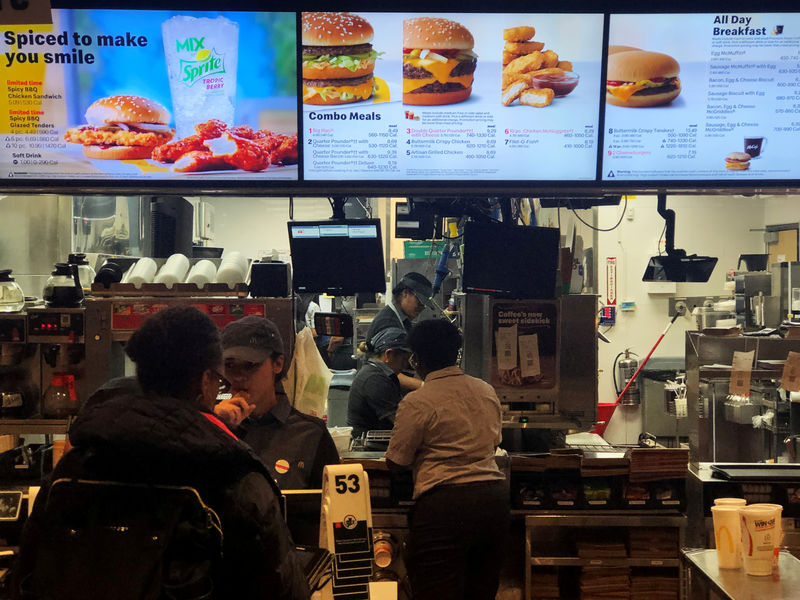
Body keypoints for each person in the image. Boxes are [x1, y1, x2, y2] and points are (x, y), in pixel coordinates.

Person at [17, 306, 309, 600]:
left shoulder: (75, 466)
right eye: (220, 378)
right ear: (205, 380)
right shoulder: (233, 478)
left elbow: (24, 576)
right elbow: (285, 589)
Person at [385, 319, 510, 600]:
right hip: (493, 503)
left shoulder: (418, 402)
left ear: (416, 360)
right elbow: (493, 442)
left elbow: (397, 461)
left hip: (443, 508)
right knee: (481, 592)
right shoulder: (485, 391)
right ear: (456, 353)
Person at [215, 315, 340, 490]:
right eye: (229, 365)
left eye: (250, 365)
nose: (239, 376)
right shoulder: (216, 428)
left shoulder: (310, 434)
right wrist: (214, 425)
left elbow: (334, 506)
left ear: (278, 363)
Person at [365, 272, 434, 392]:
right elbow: (389, 371)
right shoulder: (388, 323)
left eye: (424, 305)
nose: (421, 308)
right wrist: (426, 387)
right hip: (380, 390)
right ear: (405, 293)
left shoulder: (402, 319)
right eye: (419, 302)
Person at [347, 327, 411, 439]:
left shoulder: (375, 372)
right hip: (370, 448)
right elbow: (401, 421)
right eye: (404, 359)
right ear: (389, 355)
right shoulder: (375, 379)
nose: (405, 365)